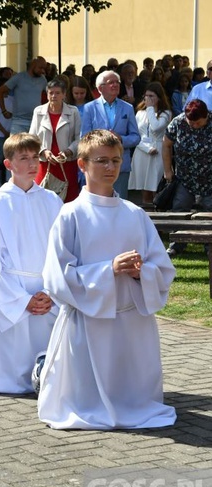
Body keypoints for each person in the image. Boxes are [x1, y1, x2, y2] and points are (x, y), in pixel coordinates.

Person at [37, 129, 176, 430]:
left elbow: (163, 269)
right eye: (102, 161)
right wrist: (108, 269)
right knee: (87, 398)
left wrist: (143, 273)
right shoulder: (70, 215)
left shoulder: (135, 213)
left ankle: (133, 403)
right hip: (89, 322)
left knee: (134, 397)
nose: (111, 168)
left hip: (131, 319)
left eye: (116, 160)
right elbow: (56, 275)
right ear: (82, 165)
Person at [0, 134, 62, 393]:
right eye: (24, 158)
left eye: (35, 157)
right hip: (11, 291)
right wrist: (22, 300)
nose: (33, 164)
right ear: (9, 165)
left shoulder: (52, 201)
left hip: (45, 292)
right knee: (8, 374)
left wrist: (51, 293)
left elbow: (62, 251)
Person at [80, 70, 140, 200]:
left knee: (120, 200)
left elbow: (136, 137)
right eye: (110, 82)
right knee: (98, 199)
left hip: (120, 163)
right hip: (97, 163)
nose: (115, 85)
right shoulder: (89, 108)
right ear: (100, 88)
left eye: (117, 82)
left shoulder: (127, 108)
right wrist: (101, 141)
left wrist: (121, 139)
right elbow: (84, 137)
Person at [163, 100, 212, 257]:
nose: (194, 126)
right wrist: (167, 170)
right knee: (179, 209)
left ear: (206, 117)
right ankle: (177, 244)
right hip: (184, 177)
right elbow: (166, 145)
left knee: (209, 212)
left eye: (198, 123)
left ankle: (209, 244)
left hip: (209, 179)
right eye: (191, 122)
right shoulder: (177, 122)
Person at [30, 79, 82, 203]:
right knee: (43, 199)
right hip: (44, 164)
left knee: (68, 199)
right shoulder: (38, 111)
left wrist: (69, 151)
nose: (54, 96)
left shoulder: (73, 111)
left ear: (64, 95)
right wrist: (43, 151)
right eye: (51, 93)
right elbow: (32, 137)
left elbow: (79, 138)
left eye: (58, 93)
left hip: (67, 163)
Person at [129, 83, 172, 205]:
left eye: (151, 96)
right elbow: (136, 135)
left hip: (158, 151)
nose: (148, 99)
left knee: (156, 186)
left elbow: (156, 127)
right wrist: (146, 148)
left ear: (159, 97)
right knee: (145, 188)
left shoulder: (166, 113)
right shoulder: (139, 113)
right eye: (146, 96)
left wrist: (150, 108)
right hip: (142, 151)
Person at [0, 57, 47, 134]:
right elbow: (0, 91)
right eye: (40, 68)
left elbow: (49, 94)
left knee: (35, 146)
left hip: (36, 120)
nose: (43, 71)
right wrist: (3, 111)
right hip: (19, 122)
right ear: (33, 65)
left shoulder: (43, 80)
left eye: (44, 68)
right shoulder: (19, 77)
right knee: (16, 146)